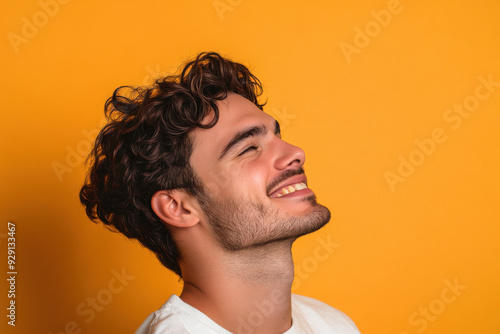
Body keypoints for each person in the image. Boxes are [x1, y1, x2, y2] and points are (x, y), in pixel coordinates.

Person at [80, 52, 360, 334]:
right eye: (248, 148)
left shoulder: (332, 324)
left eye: (277, 135)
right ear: (178, 207)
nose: (295, 153)